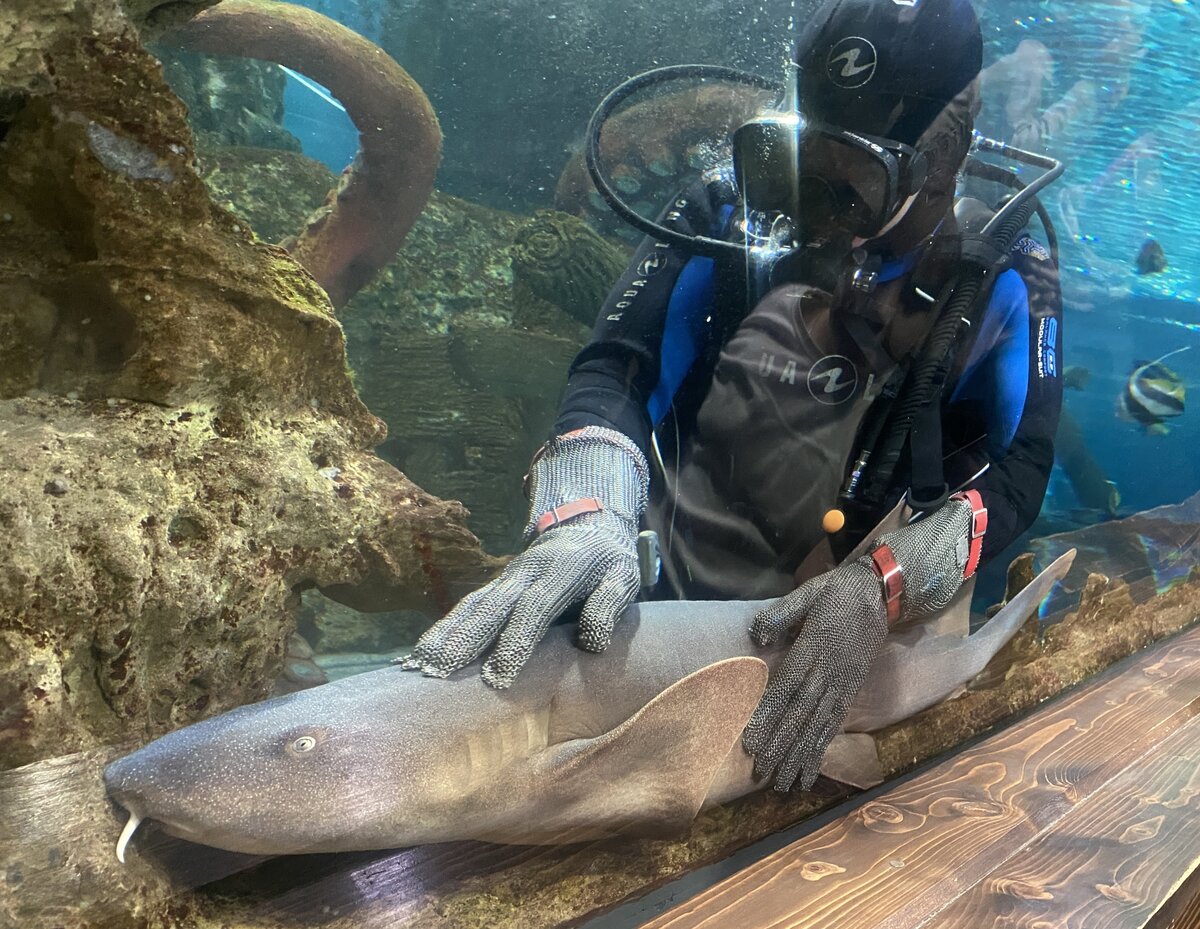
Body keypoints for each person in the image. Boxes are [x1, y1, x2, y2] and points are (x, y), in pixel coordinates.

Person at [404, 0, 1064, 792]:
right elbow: (616, 363)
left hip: (868, 642)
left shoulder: (1001, 268)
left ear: (945, 152)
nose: (811, 208)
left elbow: (1022, 462)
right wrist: (584, 517)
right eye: (796, 157)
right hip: (664, 609)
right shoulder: (728, 207)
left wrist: (884, 581)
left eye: (850, 179)